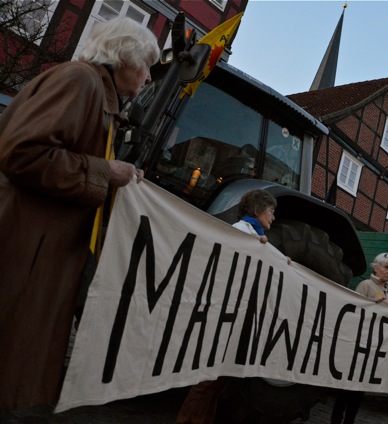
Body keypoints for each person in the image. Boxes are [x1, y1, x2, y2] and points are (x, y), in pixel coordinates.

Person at [0, 17, 159, 411]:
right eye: (146, 65)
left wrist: (116, 176)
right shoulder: (80, 82)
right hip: (27, 248)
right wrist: (106, 172)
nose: (149, 77)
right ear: (125, 57)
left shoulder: (91, 89)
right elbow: (23, 153)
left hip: (37, 246)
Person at [176, 189, 280, 424]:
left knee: (217, 382)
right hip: (224, 315)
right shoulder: (241, 233)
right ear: (257, 210)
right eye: (271, 211)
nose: (273, 217)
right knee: (207, 381)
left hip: (235, 316)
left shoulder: (255, 236)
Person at [331, 252, 388, 424]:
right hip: (359, 345)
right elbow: (354, 310)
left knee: (360, 390)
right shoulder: (365, 285)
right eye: (386, 267)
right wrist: (372, 306)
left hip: (373, 348)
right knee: (346, 389)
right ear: (376, 268)